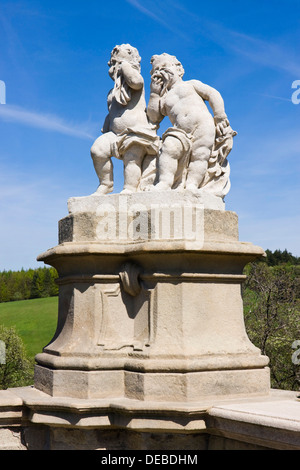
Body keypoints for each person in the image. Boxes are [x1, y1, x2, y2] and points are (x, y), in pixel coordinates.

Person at [147, 53, 236, 193]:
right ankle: (164, 183)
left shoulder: (190, 84)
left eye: (165, 66)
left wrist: (219, 115)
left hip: (203, 125)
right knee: (169, 148)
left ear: (179, 69)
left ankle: (192, 185)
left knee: (200, 157)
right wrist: (154, 93)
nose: (161, 71)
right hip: (180, 132)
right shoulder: (163, 98)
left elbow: (212, 94)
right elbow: (154, 117)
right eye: (156, 70)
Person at [90, 44, 159, 194]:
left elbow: (135, 81)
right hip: (114, 134)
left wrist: (126, 66)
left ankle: (130, 189)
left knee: (132, 158)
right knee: (97, 150)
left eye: (119, 63)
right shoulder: (112, 92)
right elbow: (111, 113)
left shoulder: (136, 82)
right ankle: (106, 183)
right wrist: (107, 126)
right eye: (114, 63)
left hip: (136, 132)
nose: (117, 67)